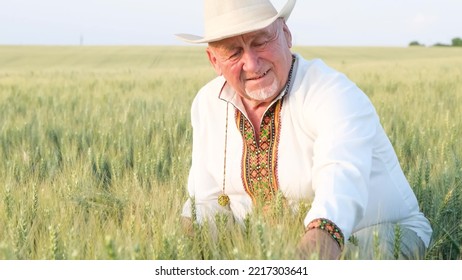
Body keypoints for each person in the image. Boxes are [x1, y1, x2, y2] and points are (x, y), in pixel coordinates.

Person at [175, 0, 432, 259]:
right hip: (276, 247)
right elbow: (206, 202)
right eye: (233, 52)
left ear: (286, 34)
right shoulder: (207, 104)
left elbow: (340, 181)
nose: (251, 64)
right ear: (214, 60)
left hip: (378, 231)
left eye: (261, 41)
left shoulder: (332, 92)